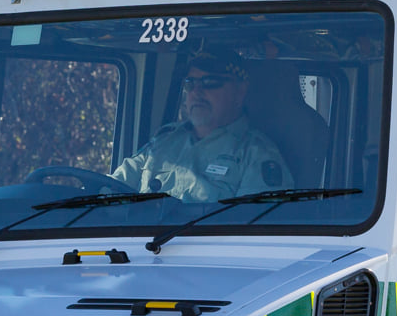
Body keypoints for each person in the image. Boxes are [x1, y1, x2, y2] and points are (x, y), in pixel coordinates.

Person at [113, 42, 293, 201]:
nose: (196, 92)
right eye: (190, 83)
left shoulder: (256, 154)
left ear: (240, 92)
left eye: (210, 82)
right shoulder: (163, 141)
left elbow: (252, 231)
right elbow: (109, 191)